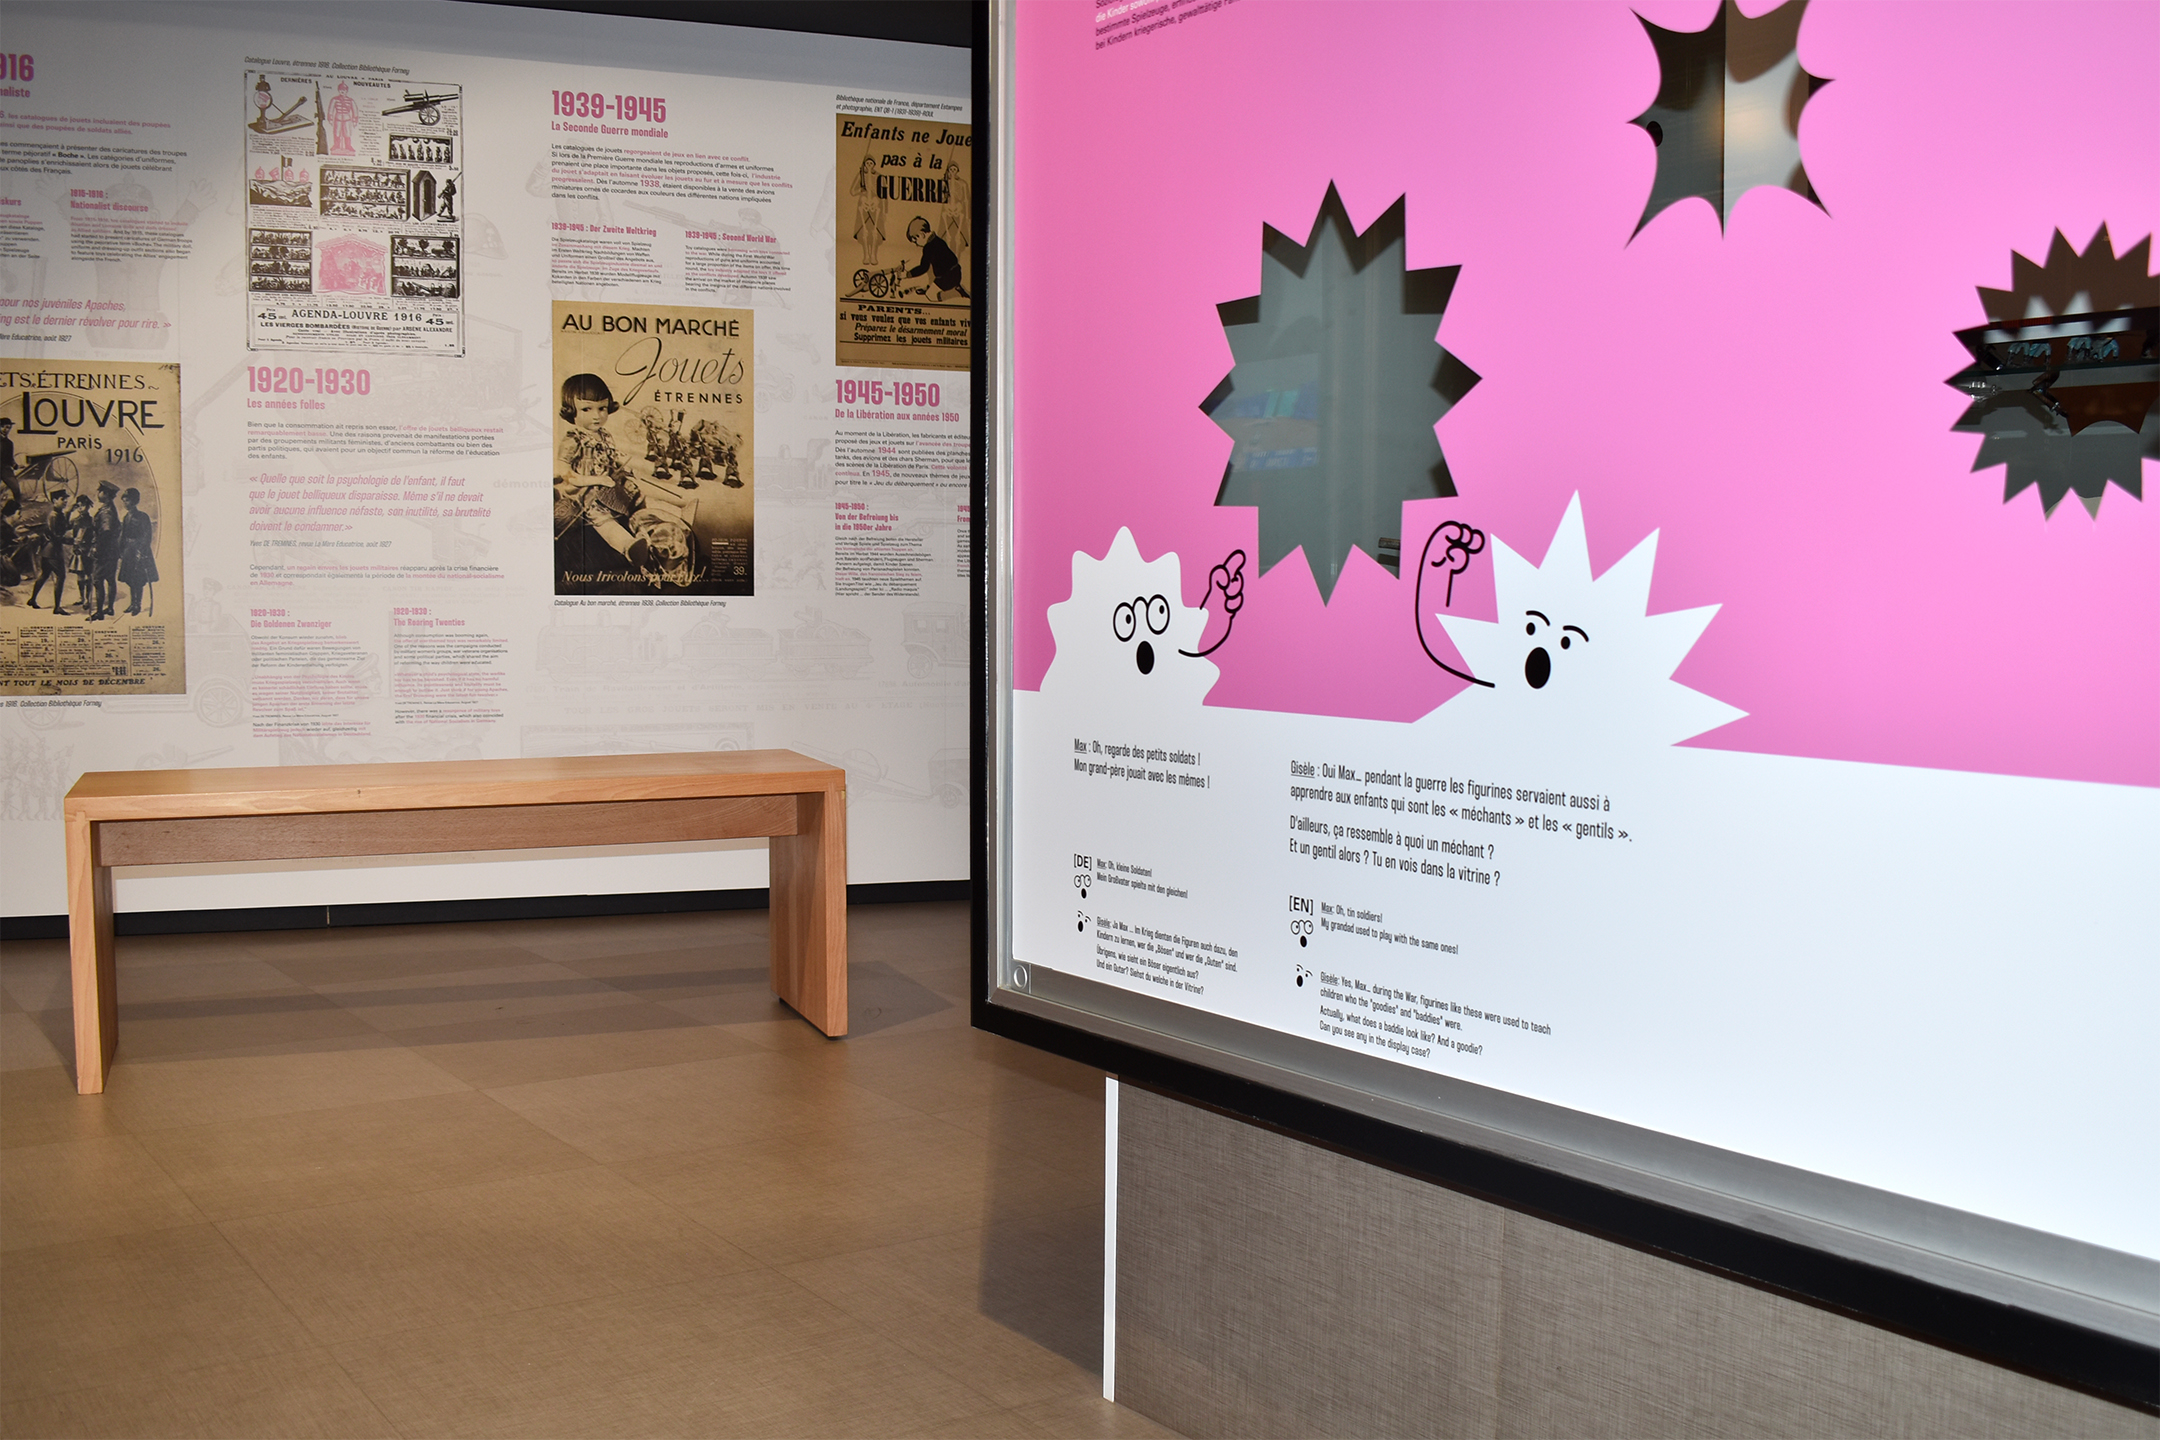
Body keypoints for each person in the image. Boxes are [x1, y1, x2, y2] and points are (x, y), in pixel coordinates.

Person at [554, 373, 650, 579]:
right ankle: (629, 547)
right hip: (585, 492)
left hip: (609, 484)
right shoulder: (573, 439)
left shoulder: (604, 435)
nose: (596, 416)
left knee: (636, 495)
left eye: (602, 408)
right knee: (601, 518)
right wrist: (594, 480)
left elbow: (610, 459)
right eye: (586, 409)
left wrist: (622, 469)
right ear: (571, 410)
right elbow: (564, 471)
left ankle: (646, 529)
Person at [25, 486, 69, 613]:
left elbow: (63, 529)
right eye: (63, 499)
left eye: (66, 499)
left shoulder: (58, 514)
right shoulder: (54, 516)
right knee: (61, 576)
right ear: (54, 500)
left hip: (47, 551)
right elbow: (55, 536)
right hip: (53, 552)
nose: (65, 501)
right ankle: (57, 608)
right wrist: (71, 541)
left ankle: (32, 599)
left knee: (44, 575)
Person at [903, 216, 968, 300]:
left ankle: (956, 293)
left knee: (931, 296)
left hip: (947, 277)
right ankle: (954, 287)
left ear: (922, 235)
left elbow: (923, 267)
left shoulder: (928, 247)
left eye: (915, 241)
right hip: (956, 272)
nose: (916, 245)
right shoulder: (937, 240)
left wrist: (908, 274)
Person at [117, 487, 157, 615]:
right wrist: (121, 550)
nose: (125, 503)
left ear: (134, 501)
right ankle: (132, 603)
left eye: (127, 500)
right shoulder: (126, 517)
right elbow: (123, 535)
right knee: (130, 578)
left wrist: (141, 551)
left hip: (139, 551)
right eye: (124, 500)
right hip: (128, 551)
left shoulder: (142, 517)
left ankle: (137, 605)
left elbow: (147, 535)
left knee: (138, 579)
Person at [91, 480, 120, 620]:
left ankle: (99, 612)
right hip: (112, 551)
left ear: (106, 494)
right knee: (110, 579)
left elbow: (106, 531)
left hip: (104, 552)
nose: (98, 493)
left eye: (100, 491)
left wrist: (97, 547)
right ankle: (110, 608)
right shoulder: (110, 508)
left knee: (98, 580)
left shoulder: (106, 512)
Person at [850, 156, 885, 265]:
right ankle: (866, 255)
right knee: (864, 231)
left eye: (871, 163)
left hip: (875, 204)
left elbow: (883, 193)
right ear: (865, 165)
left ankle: (873, 255)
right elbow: (853, 191)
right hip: (864, 204)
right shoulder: (861, 175)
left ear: (874, 165)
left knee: (875, 231)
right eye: (867, 163)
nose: (869, 166)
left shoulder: (879, 176)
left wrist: (884, 209)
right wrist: (861, 190)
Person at [67, 495, 95, 611]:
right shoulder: (75, 520)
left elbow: (95, 536)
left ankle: (88, 599)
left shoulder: (92, 521)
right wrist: (69, 511)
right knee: (80, 575)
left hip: (87, 551)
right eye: (78, 505)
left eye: (83, 505)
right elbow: (65, 526)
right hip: (78, 550)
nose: (80, 508)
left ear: (88, 506)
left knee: (89, 575)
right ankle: (81, 597)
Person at [0, 416, 17, 507]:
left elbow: (10, 458)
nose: (6, 429)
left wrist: (14, 465)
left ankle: (17, 509)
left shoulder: (9, 443)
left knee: (16, 489)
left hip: (6, 470)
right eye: (3, 427)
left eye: (8, 427)